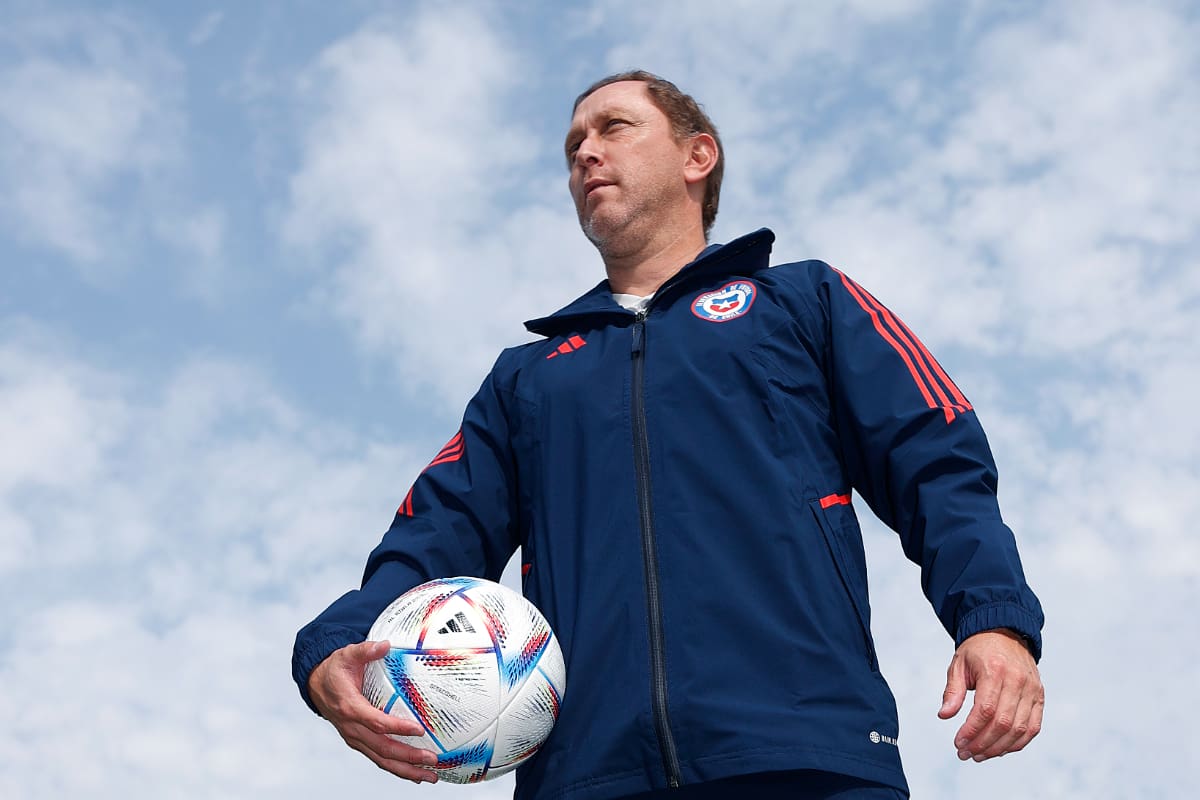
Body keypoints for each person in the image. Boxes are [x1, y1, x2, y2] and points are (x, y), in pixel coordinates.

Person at [292, 70, 1045, 800]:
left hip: (805, 757)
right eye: (573, 146)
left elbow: (936, 461)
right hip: (590, 776)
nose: (586, 153)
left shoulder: (805, 301)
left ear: (697, 155)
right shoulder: (528, 377)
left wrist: (994, 620)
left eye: (613, 127)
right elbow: (434, 534)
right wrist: (336, 645)